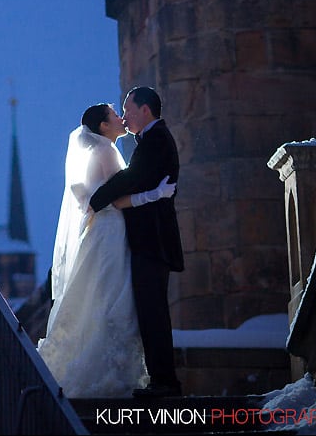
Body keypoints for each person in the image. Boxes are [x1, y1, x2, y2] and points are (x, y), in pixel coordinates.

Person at [37, 102, 175, 398]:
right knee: (113, 297)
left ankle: (97, 366)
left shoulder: (100, 151)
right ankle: (109, 372)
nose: (121, 118)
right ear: (103, 126)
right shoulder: (107, 151)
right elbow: (116, 197)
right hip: (111, 232)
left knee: (100, 296)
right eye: (115, 115)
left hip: (104, 232)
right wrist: (156, 194)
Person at [89, 86, 184, 398]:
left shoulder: (156, 139)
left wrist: (97, 199)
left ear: (145, 110)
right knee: (149, 311)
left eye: (128, 109)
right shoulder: (151, 139)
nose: (125, 116)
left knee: (153, 312)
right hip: (149, 241)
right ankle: (162, 380)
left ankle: (165, 383)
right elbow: (133, 183)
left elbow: (129, 178)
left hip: (153, 242)